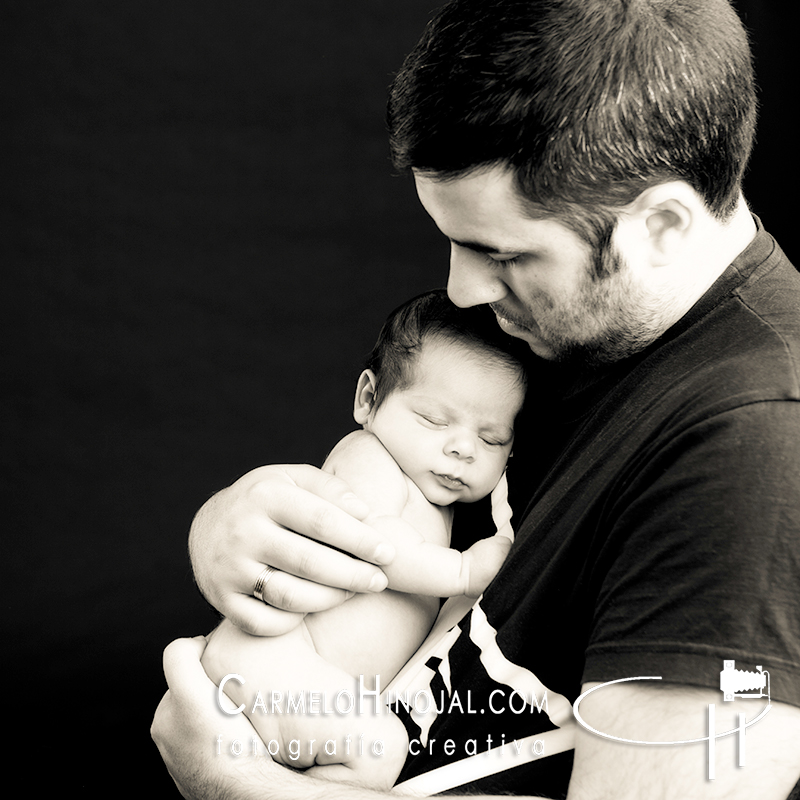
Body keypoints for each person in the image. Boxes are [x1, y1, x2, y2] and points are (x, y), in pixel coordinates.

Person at [152, 1, 800, 798]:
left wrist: (246, 790)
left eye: (501, 252)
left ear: (662, 225)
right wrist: (229, 527)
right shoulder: (577, 328)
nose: (461, 288)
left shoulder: (759, 445)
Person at [199, 289, 528, 789]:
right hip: (277, 657)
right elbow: (374, 543)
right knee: (378, 751)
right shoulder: (368, 456)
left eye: (492, 439)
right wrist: (462, 571)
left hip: (313, 677)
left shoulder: (439, 499)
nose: (462, 448)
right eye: (435, 420)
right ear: (369, 399)